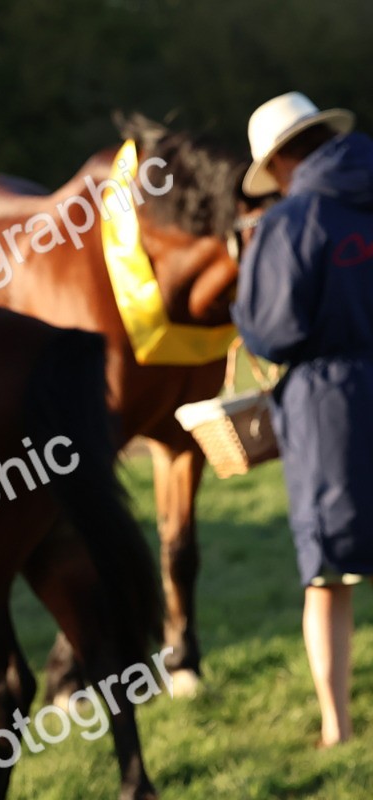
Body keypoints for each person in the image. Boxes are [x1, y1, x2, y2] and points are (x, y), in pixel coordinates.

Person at [232, 91, 373, 748]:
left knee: (329, 571)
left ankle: (337, 727)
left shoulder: (293, 221)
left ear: (283, 158)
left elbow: (271, 333)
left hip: (332, 407)